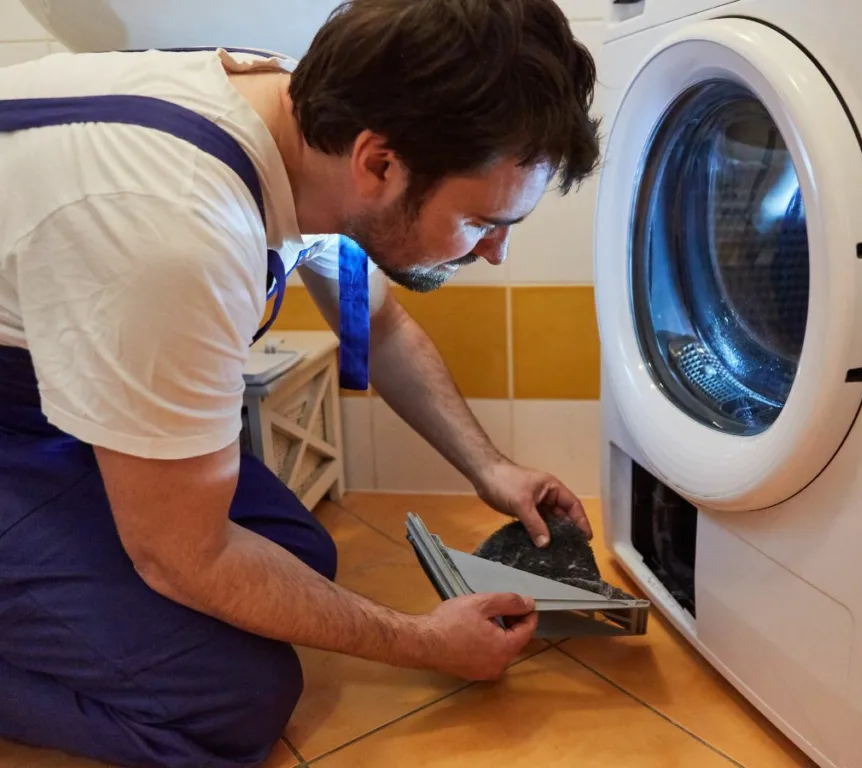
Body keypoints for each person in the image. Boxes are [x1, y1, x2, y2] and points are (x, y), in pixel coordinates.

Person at [0, 0, 601, 766]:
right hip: (21, 407)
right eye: (484, 221)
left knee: (291, 554)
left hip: (44, 393)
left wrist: (493, 470)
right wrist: (424, 643)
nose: (496, 254)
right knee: (231, 696)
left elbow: (372, 328)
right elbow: (180, 556)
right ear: (380, 164)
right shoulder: (178, 230)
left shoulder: (310, 131)